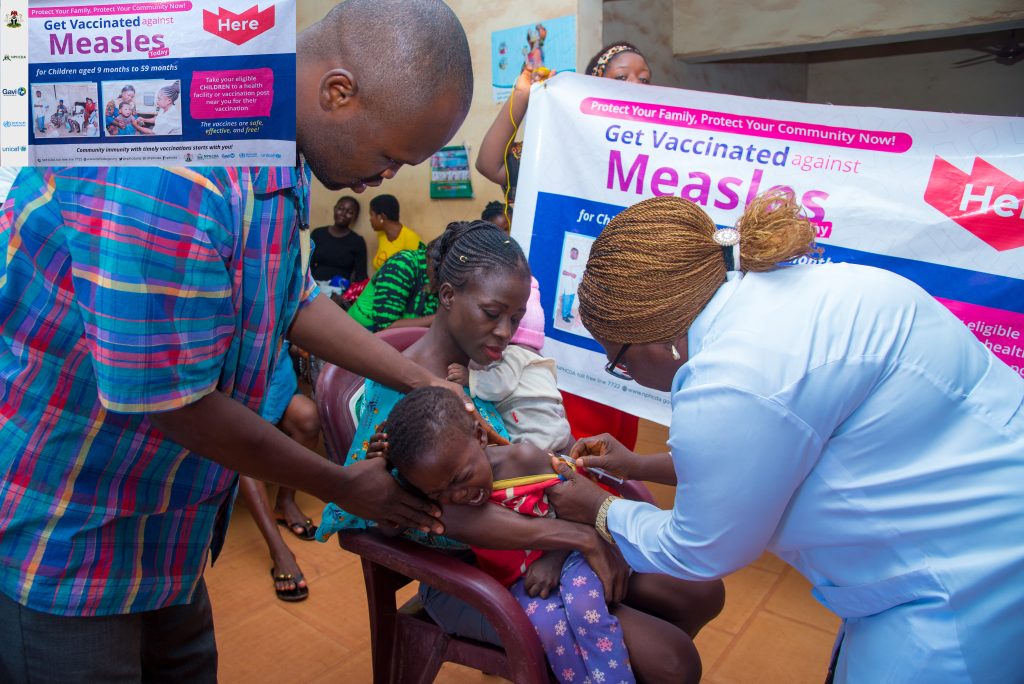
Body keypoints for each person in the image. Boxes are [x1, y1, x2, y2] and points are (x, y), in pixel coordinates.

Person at [0, 1, 474, 680]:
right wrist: (345, 487)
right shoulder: (175, 167)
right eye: (390, 156)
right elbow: (173, 402)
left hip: (165, 530)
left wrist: (419, 380)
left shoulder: (268, 141)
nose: (385, 179)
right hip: (71, 534)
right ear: (338, 93)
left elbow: (288, 295)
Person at [545, 191, 1024, 683]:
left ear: (656, 341)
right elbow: (766, 459)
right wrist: (638, 465)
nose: (623, 371)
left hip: (957, 584)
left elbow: (702, 549)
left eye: (618, 362)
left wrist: (600, 510)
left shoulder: (728, 381)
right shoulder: (803, 292)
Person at [316, 220, 724, 673]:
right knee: (672, 661)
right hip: (480, 567)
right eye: (493, 313)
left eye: (515, 317)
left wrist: (585, 477)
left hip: (537, 541)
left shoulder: (487, 369)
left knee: (701, 592)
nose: (506, 332)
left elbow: (530, 449)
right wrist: (575, 536)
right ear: (448, 297)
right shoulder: (405, 395)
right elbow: (437, 511)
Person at [380, 386, 712, 684]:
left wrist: (555, 558)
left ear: (480, 436)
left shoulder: (523, 460)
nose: (459, 494)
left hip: (566, 561)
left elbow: (572, 505)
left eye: (463, 477)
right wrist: (384, 473)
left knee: (587, 611)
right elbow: (387, 525)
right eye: (441, 493)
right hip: (515, 584)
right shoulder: (435, 480)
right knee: (552, 629)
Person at [476, 41, 652, 201]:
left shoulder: (659, 149)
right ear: (595, 84)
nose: (636, 85)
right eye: (621, 77)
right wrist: (522, 94)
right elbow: (490, 165)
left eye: (644, 79)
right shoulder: (569, 145)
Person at [447, 276, 573, 452]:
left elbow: (500, 384)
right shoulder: (541, 361)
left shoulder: (514, 354)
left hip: (534, 434)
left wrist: (471, 378)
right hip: (560, 429)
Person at [239, 342, 323, 602]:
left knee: (309, 418)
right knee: (243, 447)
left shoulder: (280, 300)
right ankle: (279, 551)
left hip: (276, 379)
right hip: (238, 388)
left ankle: (285, 502)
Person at [347, 241, 437, 331]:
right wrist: (437, 319)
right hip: (360, 332)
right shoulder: (402, 265)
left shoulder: (441, 280)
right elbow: (385, 326)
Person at [311, 196, 368, 283]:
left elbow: (361, 276)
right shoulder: (318, 234)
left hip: (341, 291)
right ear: (334, 209)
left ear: (354, 217)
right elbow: (307, 264)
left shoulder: (357, 241)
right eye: (341, 208)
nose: (343, 214)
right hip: (314, 287)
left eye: (350, 212)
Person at [368, 194, 423, 270]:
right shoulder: (381, 235)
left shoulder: (410, 238)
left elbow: (420, 270)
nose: (370, 219)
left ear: (381, 216)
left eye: (371, 214)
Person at [559, 246, 583, 323]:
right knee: (567, 300)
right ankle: (564, 316)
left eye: (577, 254)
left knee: (571, 300)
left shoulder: (576, 262)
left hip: (574, 285)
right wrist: (571, 274)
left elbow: (578, 274)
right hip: (568, 285)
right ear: (571, 253)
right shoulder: (566, 261)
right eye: (575, 254)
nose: (576, 255)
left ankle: (568, 313)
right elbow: (563, 272)